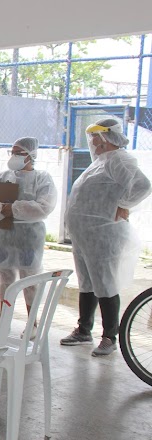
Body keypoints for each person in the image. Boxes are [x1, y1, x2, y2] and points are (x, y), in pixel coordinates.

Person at [61, 118, 151, 356]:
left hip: (103, 235)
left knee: (105, 283)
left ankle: (110, 337)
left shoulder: (119, 159)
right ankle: (84, 330)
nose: (92, 141)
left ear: (108, 136)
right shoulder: (101, 162)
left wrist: (124, 204)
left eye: (96, 136)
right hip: (86, 235)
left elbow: (143, 185)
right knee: (87, 282)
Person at [0, 137, 57, 332]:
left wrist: (11, 208)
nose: (14, 156)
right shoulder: (3, 177)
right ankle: (4, 319)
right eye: (12, 152)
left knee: (30, 279)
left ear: (31, 155)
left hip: (29, 238)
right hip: (4, 234)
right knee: (4, 278)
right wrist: (2, 209)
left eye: (18, 153)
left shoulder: (42, 179)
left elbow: (44, 207)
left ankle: (32, 324)